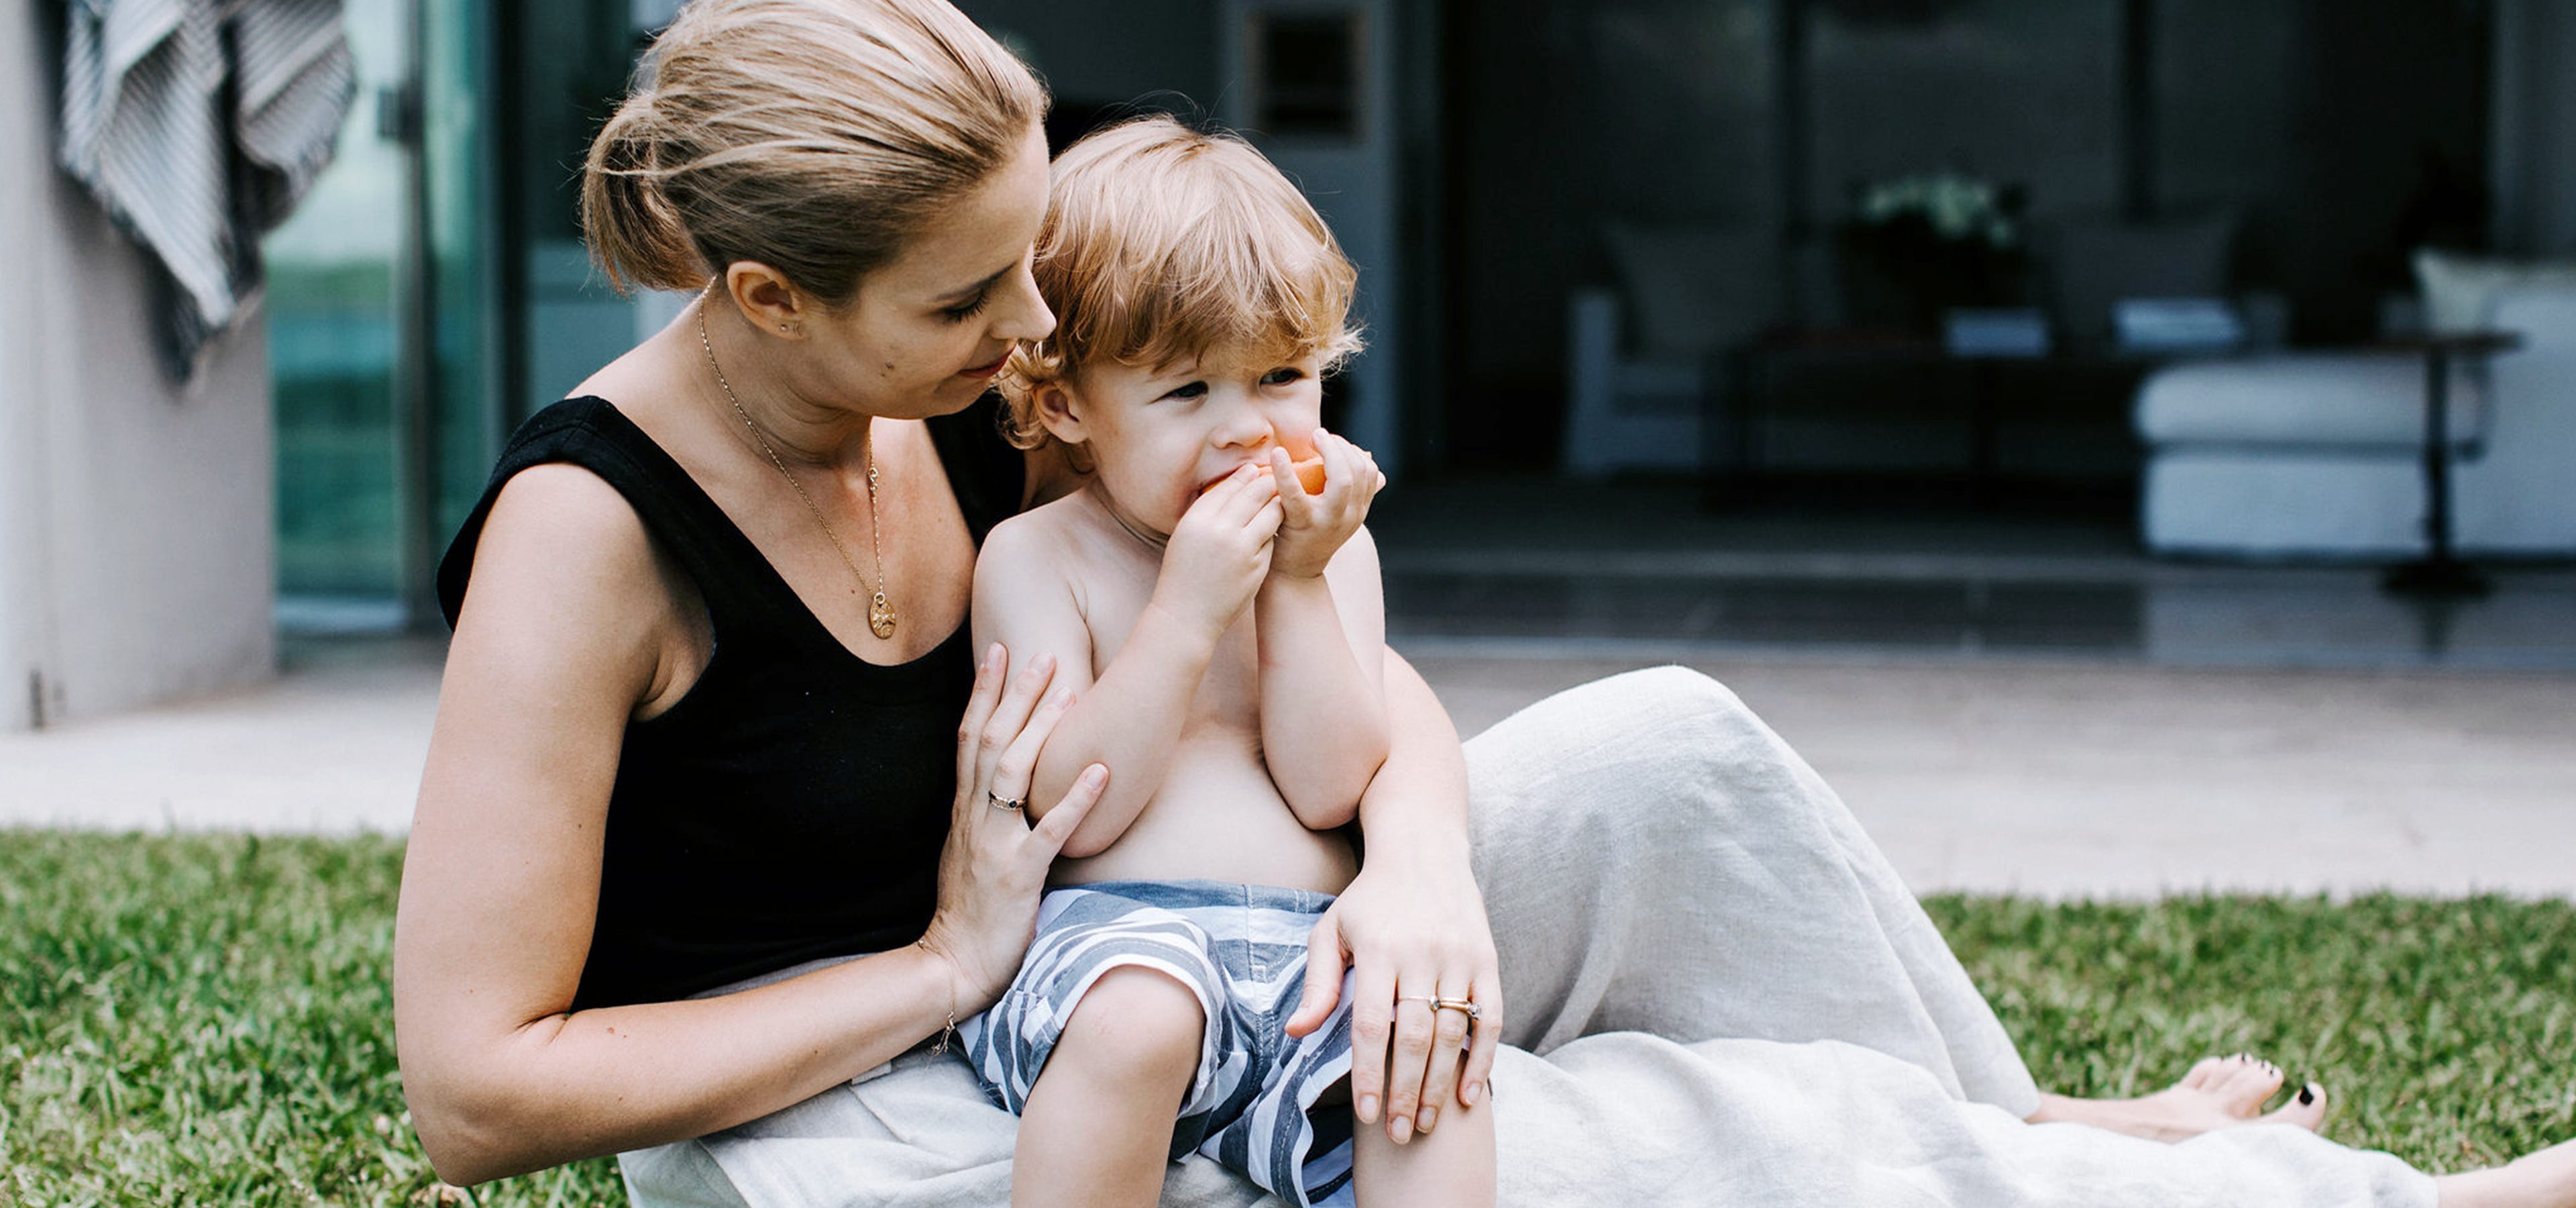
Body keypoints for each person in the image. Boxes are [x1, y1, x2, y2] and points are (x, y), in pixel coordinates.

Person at [392, 1, 2576, 1204]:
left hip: (1211, 906)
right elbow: (478, 1092)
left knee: (1668, 754)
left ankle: (2019, 1143)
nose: (1033, 329)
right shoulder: (593, 537)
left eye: (1038, 272)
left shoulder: (975, 383)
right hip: (920, 1099)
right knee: (1610, 1145)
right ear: (771, 301)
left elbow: (1361, 712)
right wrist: (956, 955)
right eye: (980, 300)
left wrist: (1419, 869)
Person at [949, 116, 1492, 1208]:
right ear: (1067, 405)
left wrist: (1293, 584)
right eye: (1188, 392)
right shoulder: (1039, 555)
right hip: (1112, 947)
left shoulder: (1334, 554)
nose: (1247, 430)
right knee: (1141, 1019)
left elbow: (1332, 780)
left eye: (1284, 376)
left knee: (1425, 1043)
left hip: (1311, 952)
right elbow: (1071, 811)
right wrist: (1188, 613)